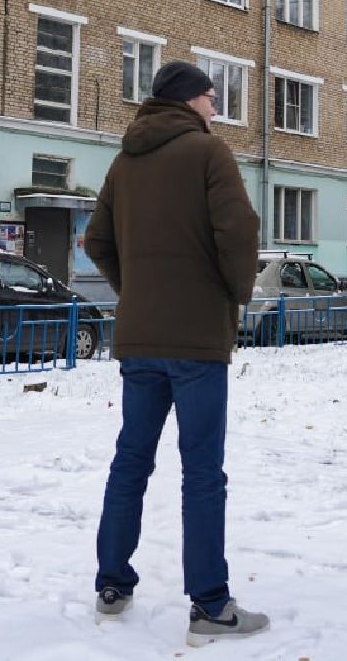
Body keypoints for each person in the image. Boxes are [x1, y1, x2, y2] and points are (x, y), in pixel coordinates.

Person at [84, 60, 269, 647]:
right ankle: (210, 605)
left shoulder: (125, 160)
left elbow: (96, 241)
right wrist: (232, 295)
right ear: (190, 101)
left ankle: (112, 584)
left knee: (130, 460)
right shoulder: (208, 152)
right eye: (211, 97)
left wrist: (134, 290)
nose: (215, 107)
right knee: (203, 471)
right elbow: (239, 233)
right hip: (197, 340)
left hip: (139, 338)